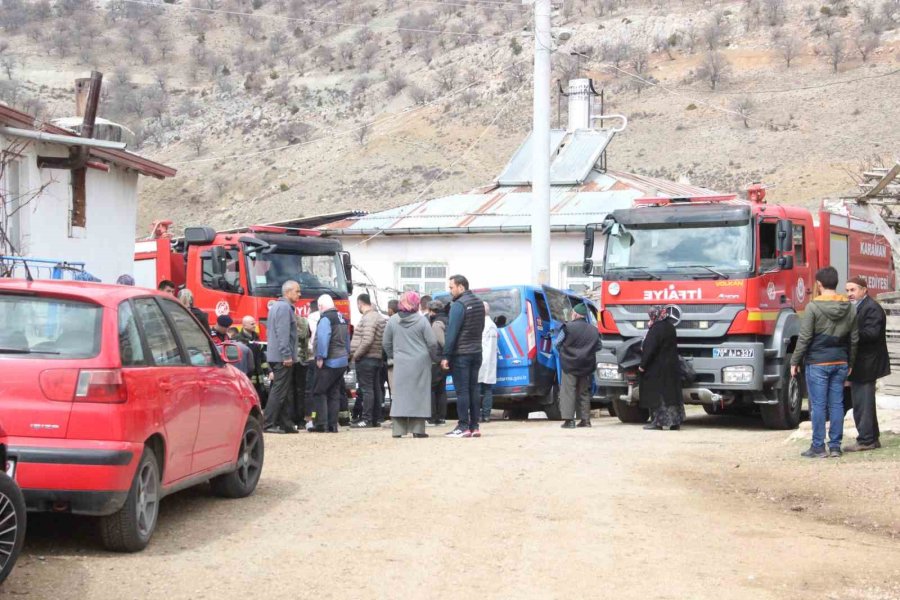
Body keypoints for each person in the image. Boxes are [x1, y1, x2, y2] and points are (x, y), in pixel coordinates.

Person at [791, 266, 858, 458]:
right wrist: (850, 361)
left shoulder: (813, 306)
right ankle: (835, 446)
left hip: (818, 362)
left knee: (819, 405)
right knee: (836, 404)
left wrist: (794, 361)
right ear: (836, 283)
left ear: (819, 284)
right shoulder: (849, 307)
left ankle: (818, 446)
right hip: (840, 361)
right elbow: (854, 338)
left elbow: (804, 338)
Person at [383, 291, 439, 438]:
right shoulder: (422, 321)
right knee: (419, 395)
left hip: (400, 362)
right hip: (421, 363)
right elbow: (432, 343)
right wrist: (434, 357)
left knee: (400, 395)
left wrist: (393, 355)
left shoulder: (393, 320)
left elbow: (386, 343)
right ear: (417, 303)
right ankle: (418, 430)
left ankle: (398, 430)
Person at [845, 276, 887, 452]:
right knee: (863, 403)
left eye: (853, 290)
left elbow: (872, 334)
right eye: (847, 290)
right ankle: (871, 438)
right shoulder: (858, 307)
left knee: (863, 403)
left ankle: (866, 440)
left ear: (864, 289)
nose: (849, 294)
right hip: (862, 363)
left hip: (868, 363)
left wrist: (850, 334)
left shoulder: (872, 308)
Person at [441, 274, 485, 438]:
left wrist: (446, 355)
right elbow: (479, 328)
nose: (450, 291)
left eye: (451, 287)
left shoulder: (459, 305)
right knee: (474, 389)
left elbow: (452, 332)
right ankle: (475, 426)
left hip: (461, 354)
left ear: (461, 287)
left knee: (462, 391)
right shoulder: (479, 303)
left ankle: (463, 426)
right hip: (476, 351)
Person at [263, 280, 301, 434]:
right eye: (297, 291)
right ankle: (268, 423)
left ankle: (286, 423)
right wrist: (286, 355)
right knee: (278, 391)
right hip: (282, 357)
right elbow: (283, 333)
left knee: (283, 391)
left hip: (275, 355)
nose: (300, 294)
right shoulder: (285, 308)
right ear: (288, 292)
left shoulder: (276, 307)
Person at [556, 302, 601, 429]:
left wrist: (565, 352)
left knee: (568, 391)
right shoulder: (594, 330)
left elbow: (557, 343)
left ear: (575, 314)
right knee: (584, 392)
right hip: (586, 365)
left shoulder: (567, 327)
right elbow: (599, 346)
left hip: (569, 364)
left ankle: (569, 421)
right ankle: (585, 420)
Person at [639, 305, 684, 431]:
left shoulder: (656, 329)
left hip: (657, 368)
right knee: (672, 395)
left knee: (658, 395)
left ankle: (658, 422)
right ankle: (675, 422)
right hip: (672, 367)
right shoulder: (670, 327)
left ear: (654, 316)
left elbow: (649, 348)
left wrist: (643, 366)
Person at [314, 294, 350, 433]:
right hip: (342, 360)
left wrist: (320, 357)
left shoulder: (326, 319)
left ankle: (321, 424)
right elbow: (347, 339)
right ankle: (332, 425)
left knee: (319, 391)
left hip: (330, 361)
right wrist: (347, 354)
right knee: (334, 392)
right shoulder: (342, 318)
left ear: (321, 306)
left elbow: (324, 337)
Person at [350, 294, 387, 428]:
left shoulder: (369, 318)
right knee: (375, 389)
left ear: (360, 303)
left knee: (367, 390)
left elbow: (367, 340)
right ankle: (376, 418)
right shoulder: (378, 317)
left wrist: (356, 355)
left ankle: (366, 419)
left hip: (366, 358)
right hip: (376, 358)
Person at [237, 315, 270, 408]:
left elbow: (261, 356)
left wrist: (267, 371)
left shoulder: (256, 337)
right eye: (252, 324)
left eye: (254, 323)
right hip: (246, 372)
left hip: (258, 373)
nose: (254, 325)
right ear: (244, 326)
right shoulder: (238, 339)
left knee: (259, 395)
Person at [427, 300, 449, 426]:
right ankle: (442, 417)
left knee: (432, 389)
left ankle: (432, 417)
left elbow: (441, 342)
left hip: (437, 360)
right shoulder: (447, 319)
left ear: (431, 310)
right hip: (444, 360)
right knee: (442, 390)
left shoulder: (436, 324)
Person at [478, 301, 498, 423]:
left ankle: (478, 414)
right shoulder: (493, 325)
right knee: (487, 389)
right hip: (490, 360)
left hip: (480, 359)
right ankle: (486, 415)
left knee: (477, 389)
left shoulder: (481, 324)